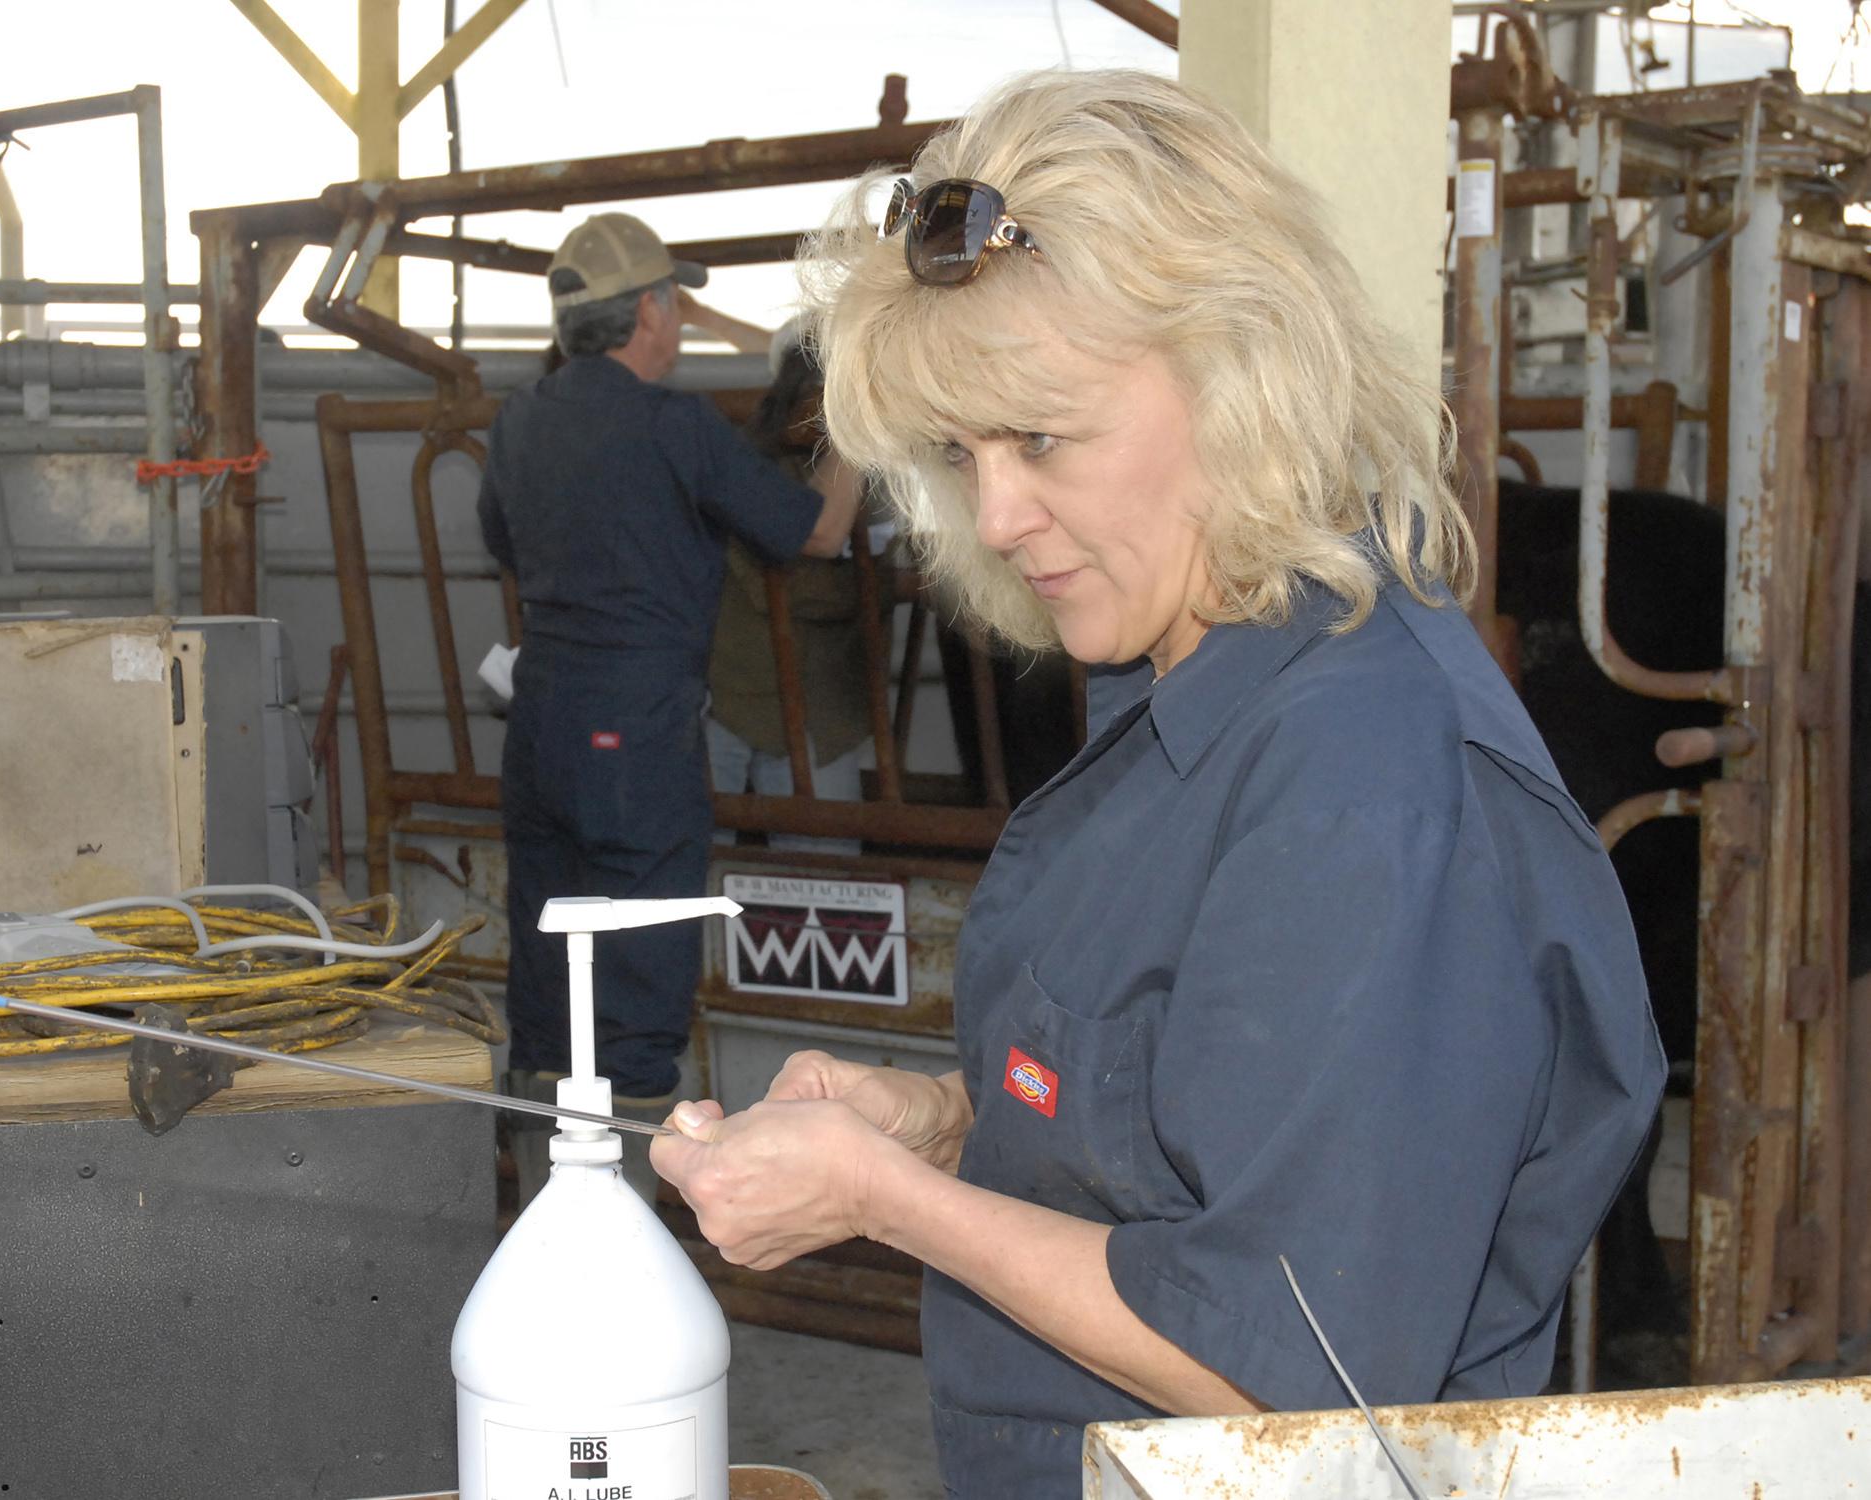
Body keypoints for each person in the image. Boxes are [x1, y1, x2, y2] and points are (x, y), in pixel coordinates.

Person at [650, 69, 1665, 1494]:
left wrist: (889, 1201)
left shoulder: (1361, 776)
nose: (997, 516)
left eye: (1043, 439)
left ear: (1238, 378)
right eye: (963, 454)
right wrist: (942, 1124)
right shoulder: (1186, 687)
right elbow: (1190, 1122)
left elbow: (1285, 1365)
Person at [478, 212, 857, 1198]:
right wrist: (864, 419)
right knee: (641, 980)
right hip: (634, 737)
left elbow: (506, 544)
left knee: (546, 966)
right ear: (648, 311)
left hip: (542, 723)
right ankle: (625, 1227)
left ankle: (541, 1209)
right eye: (674, 302)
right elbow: (815, 532)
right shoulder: (672, 424)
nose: (679, 321)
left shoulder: (518, 419)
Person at [706, 317, 894, 855]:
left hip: (812, 709)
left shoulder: (870, 468)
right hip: (741, 698)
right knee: (699, 869)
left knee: (820, 877)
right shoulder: (758, 463)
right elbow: (822, 538)